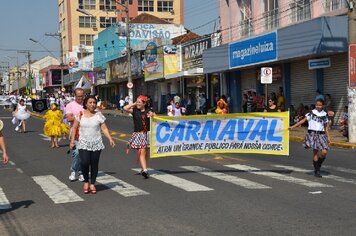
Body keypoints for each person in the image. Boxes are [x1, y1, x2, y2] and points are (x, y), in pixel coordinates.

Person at [70, 96, 115, 194]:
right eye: (90, 102)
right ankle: (86, 181)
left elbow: (104, 128)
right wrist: (72, 141)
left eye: (94, 102)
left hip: (96, 142)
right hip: (83, 142)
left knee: (94, 164)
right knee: (85, 162)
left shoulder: (98, 115)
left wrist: (110, 139)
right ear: (86, 104)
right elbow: (74, 128)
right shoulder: (80, 114)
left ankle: (92, 184)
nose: (92, 104)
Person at [289, 99, 331, 177]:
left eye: (320, 105)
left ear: (323, 106)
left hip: (322, 135)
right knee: (315, 152)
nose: (318, 106)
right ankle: (317, 171)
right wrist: (293, 126)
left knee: (324, 152)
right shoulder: (311, 113)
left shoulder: (324, 114)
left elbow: (326, 127)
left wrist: (328, 137)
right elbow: (302, 121)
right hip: (312, 134)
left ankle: (318, 164)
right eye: (317, 105)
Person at [124, 95, 155, 179]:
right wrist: (134, 103)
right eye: (137, 102)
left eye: (139, 102)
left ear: (144, 103)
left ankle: (143, 168)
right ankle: (145, 170)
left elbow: (155, 117)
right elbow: (125, 108)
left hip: (148, 134)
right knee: (142, 152)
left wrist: (153, 115)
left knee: (147, 154)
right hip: (139, 134)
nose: (138, 103)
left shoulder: (149, 111)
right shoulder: (134, 110)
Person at [66, 88, 84, 182]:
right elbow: (69, 118)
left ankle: (81, 172)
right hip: (75, 132)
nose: (80, 98)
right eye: (78, 96)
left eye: (82, 96)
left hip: (86, 133)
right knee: (76, 153)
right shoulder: (70, 105)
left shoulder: (86, 104)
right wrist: (80, 116)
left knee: (83, 154)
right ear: (75, 96)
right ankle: (73, 171)